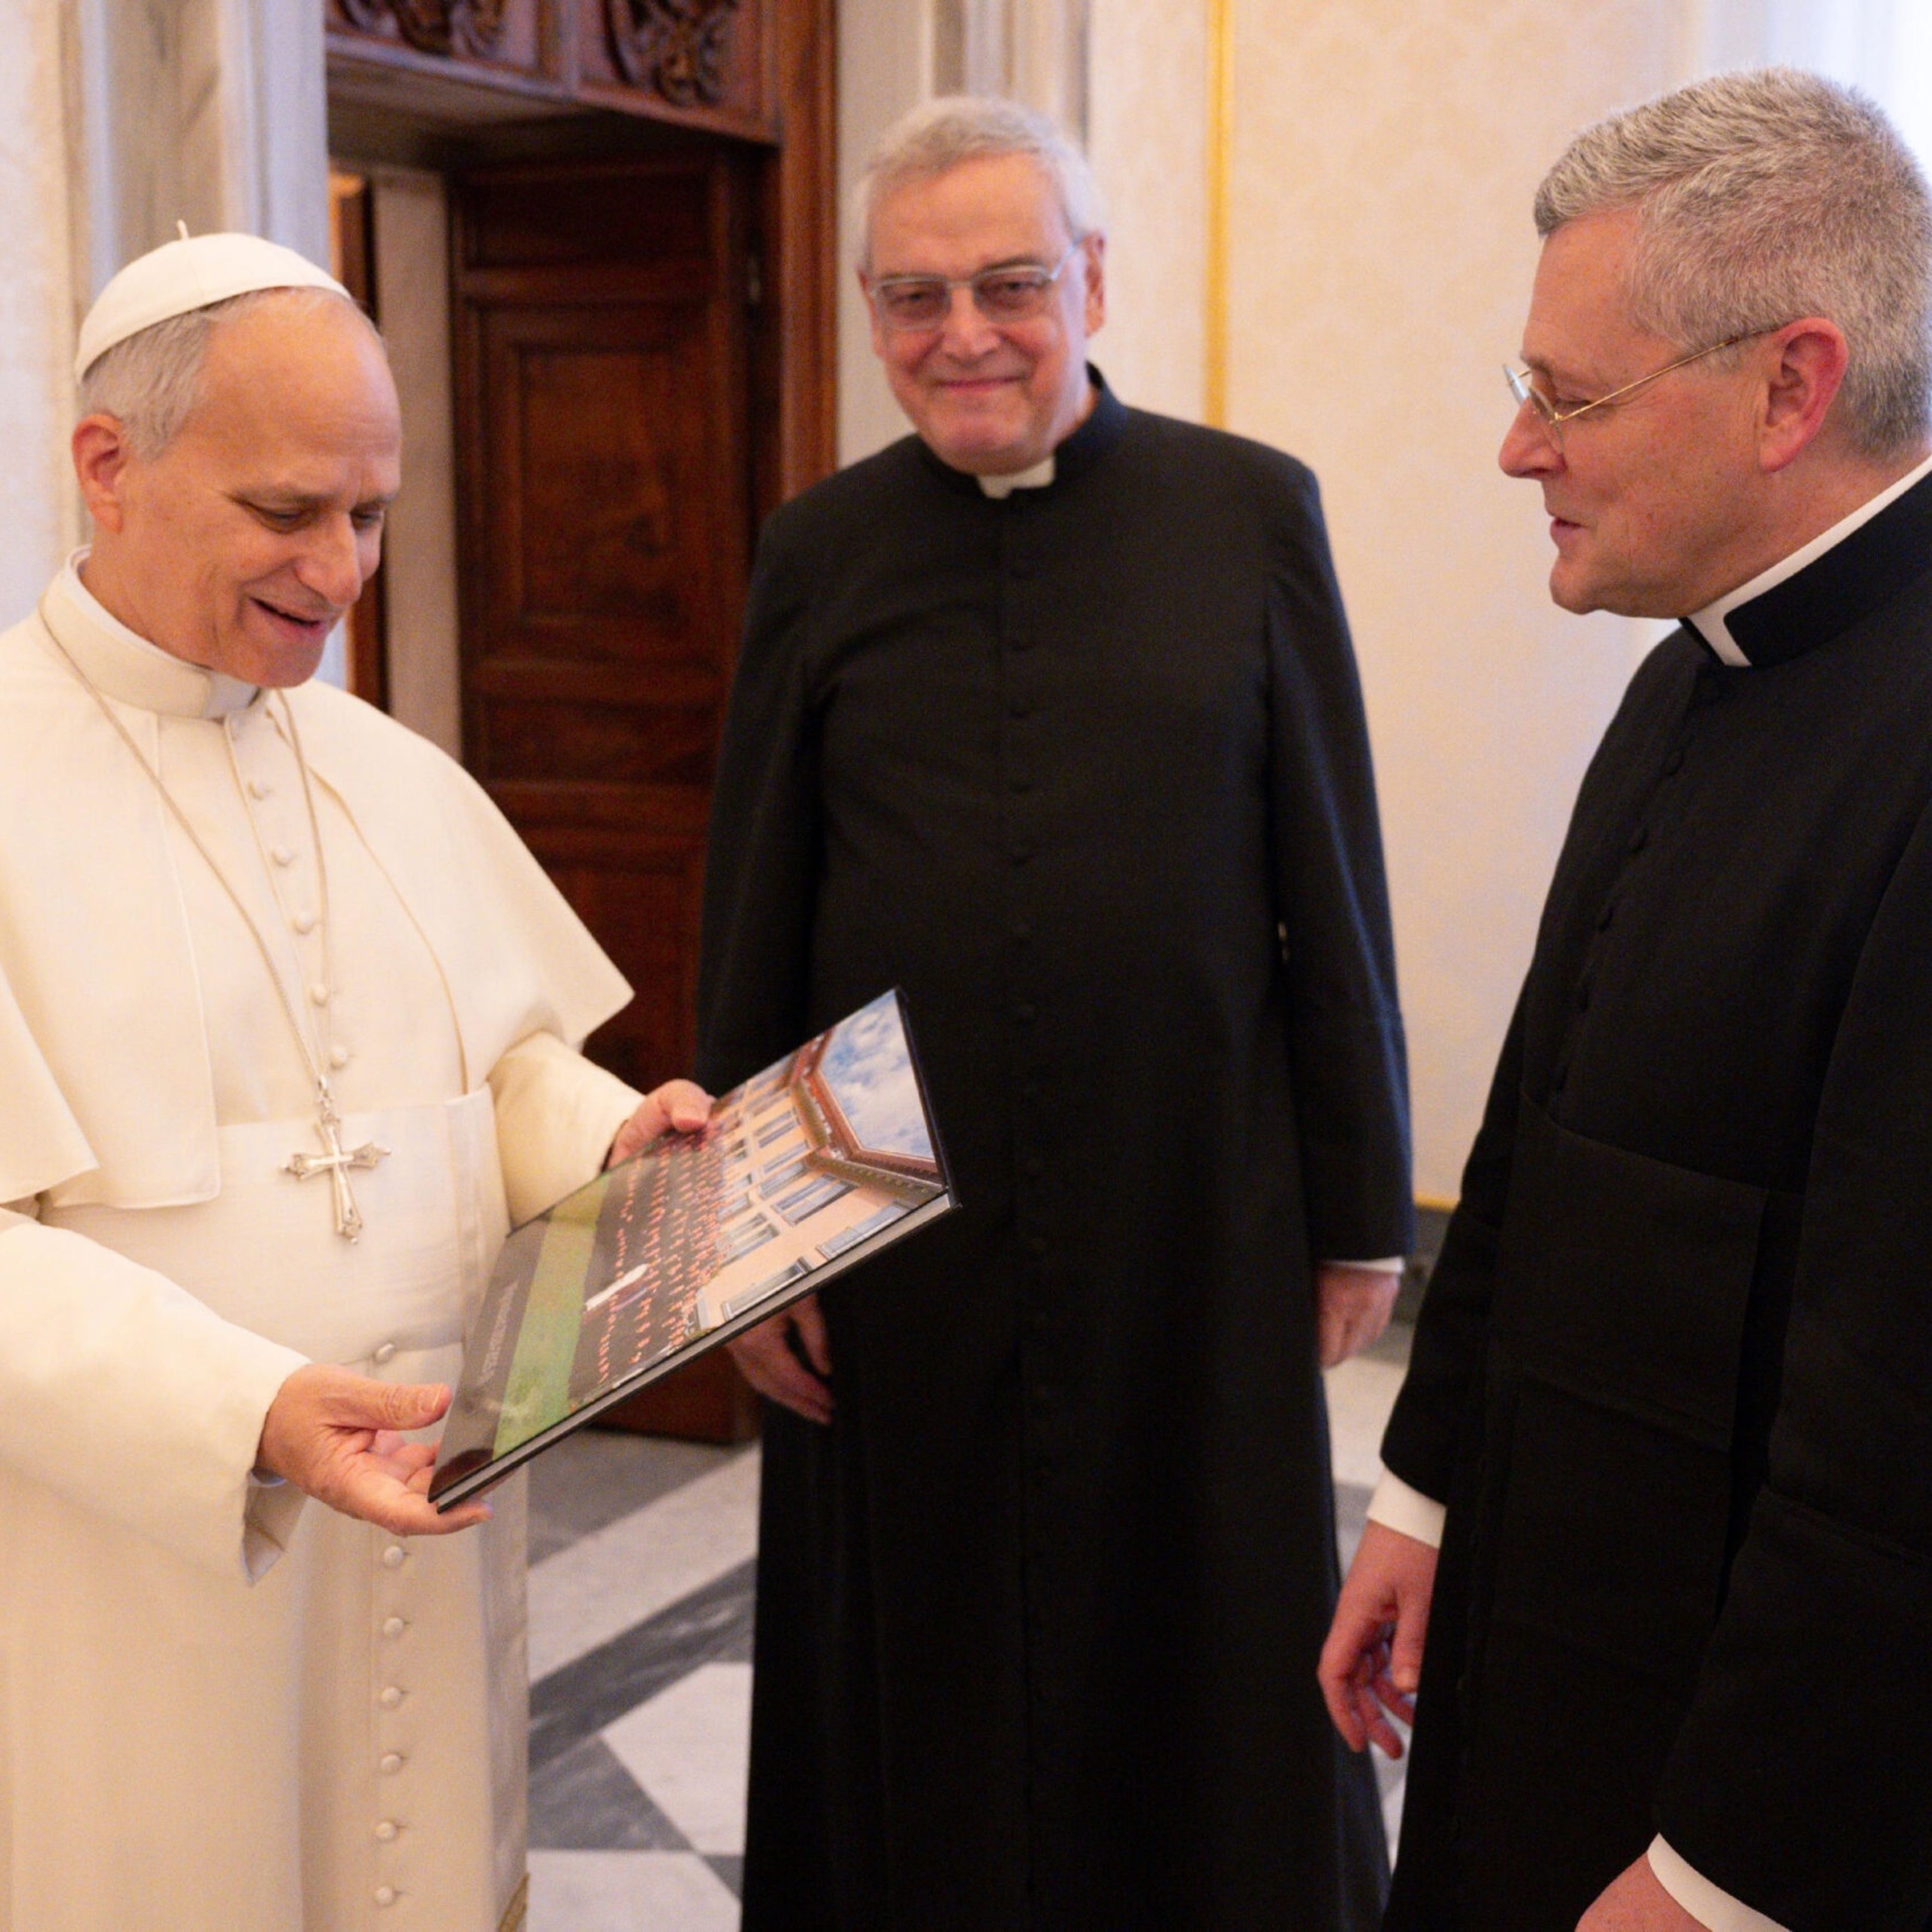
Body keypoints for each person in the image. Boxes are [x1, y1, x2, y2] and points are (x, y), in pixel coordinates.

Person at [697, 95, 1413, 1931]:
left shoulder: (1250, 515)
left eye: (1010, 283)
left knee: (1199, 1611)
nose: (963, 334)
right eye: (912, 295)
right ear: (869, 314)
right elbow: (757, 911)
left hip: (1193, 1203)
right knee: (913, 1622)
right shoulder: (818, 551)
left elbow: (1326, 880)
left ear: (1090, 281)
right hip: (894, 1222)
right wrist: (742, 1249)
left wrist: (1357, 1208)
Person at [0, 231, 707, 1932]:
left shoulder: (390, 768)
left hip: (420, 1516)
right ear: (108, 467)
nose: (341, 568)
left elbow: (488, 1065)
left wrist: (616, 1133)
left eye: (370, 515)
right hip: (139, 1548)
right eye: (286, 511)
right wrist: (243, 1410)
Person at [1320, 67, 1932, 1932]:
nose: (1521, 452)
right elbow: (1545, 1118)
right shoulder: (1691, 665)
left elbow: (1901, 1415)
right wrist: (1426, 1498)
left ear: (1791, 384)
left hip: (1741, 1796)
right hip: (1543, 1641)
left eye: (1567, 398)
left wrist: (1726, 1868)